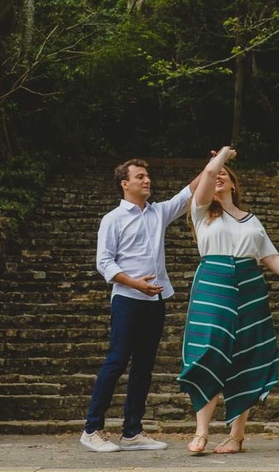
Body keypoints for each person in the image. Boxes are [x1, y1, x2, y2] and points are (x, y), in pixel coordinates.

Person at [177, 146, 279, 454]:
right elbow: (209, 172)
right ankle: (201, 432)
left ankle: (236, 436)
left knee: (248, 354)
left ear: (234, 185)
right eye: (214, 174)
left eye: (224, 175)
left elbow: (269, 256)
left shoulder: (252, 221)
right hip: (213, 282)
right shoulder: (201, 210)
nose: (217, 176)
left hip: (250, 285)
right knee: (208, 351)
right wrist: (223, 155)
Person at [80, 158, 203, 453]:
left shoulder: (158, 212)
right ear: (125, 184)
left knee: (144, 366)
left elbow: (187, 193)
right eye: (140, 177)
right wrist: (136, 284)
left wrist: (215, 162)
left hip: (155, 300)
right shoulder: (113, 219)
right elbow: (104, 262)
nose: (147, 180)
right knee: (116, 360)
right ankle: (91, 429)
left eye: (147, 176)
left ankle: (132, 432)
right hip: (127, 299)